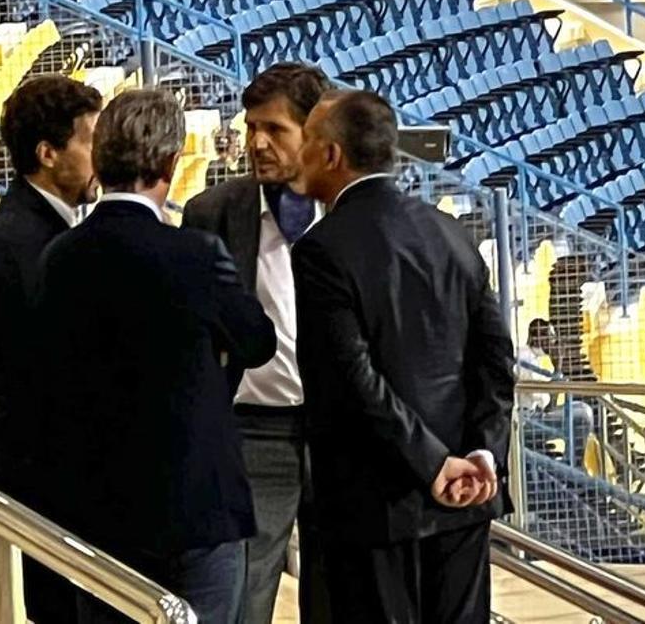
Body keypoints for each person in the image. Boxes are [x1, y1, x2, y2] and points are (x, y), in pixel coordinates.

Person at [36, 89, 276, 623]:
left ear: (100, 159)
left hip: (97, 503)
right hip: (196, 502)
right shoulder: (193, 252)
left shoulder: (58, 257)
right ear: (170, 163)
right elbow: (257, 341)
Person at [290, 90, 515, 623]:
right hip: (465, 495)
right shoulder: (452, 232)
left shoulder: (322, 249)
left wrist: (431, 462)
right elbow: (496, 361)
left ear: (331, 155)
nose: (300, 157)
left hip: (375, 504)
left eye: (307, 143)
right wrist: (481, 457)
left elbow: (352, 380)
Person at [182, 62, 332, 624]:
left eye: (274, 129)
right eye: (250, 128)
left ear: (312, 133)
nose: (257, 143)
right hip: (252, 430)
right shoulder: (213, 213)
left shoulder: (349, 210)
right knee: (246, 593)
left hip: (338, 430)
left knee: (341, 589)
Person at [0, 74, 101, 623]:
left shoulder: (49, 226)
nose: (104, 154)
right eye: (91, 141)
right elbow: (53, 367)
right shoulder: (23, 241)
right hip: (52, 473)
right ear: (49, 154)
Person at [519, 318, 593, 463]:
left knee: (579, 407)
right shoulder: (527, 361)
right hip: (527, 421)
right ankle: (573, 465)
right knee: (583, 415)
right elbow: (548, 405)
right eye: (550, 337)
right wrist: (558, 368)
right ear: (539, 338)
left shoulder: (529, 356)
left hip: (531, 414)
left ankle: (570, 462)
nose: (553, 342)